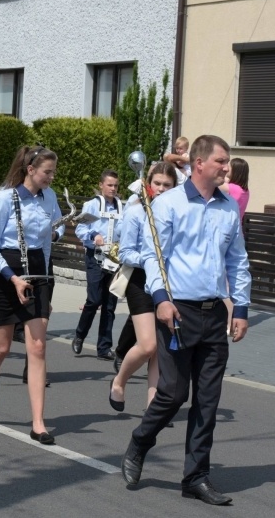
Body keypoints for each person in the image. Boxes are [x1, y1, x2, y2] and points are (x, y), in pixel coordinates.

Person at [121, 135, 251, 506]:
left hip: (214, 314)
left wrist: (240, 308)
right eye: (221, 161)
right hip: (177, 311)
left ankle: (196, 477)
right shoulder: (169, 204)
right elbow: (152, 255)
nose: (227, 167)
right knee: (174, 394)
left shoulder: (228, 207)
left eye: (227, 162)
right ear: (199, 163)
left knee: (207, 400)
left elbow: (237, 260)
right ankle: (140, 441)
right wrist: (161, 299)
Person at [0, 145, 61, 445]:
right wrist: (13, 279)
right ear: (30, 170)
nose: (51, 177)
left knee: (37, 347)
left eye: (53, 172)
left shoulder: (49, 197)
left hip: (37, 269)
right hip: (6, 271)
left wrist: (56, 233)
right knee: (1, 347)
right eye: (47, 172)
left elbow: (55, 227)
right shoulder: (3, 199)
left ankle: (38, 422)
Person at [110, 162, 177, 412]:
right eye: (157, 183)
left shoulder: (177, 212)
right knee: (147, 344)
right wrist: (152, 259)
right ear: (149, 184)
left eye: (167, 185)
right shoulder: (136, 211)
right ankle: (119, 381)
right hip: (140, 280)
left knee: (160, 350)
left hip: (169, 284)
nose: (161, 188)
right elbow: (125, 253)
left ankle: (153, 407)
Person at [72, 170, 123, 360]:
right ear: (101, 185)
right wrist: (94, 236)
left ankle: (104, 347)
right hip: (95, 257)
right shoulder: (92, 205)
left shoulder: (120, 206)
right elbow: (80, 227)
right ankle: (79, 335)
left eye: (116, 185)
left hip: (114, 259)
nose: (113, 189)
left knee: (110, 305)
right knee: (94, 300)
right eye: (109, 185)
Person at [220, 158, 251, 333]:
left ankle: (228, 320)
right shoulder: (245, 191)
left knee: (225, 284)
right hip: (238, 234)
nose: (225, 169)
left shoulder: (233, 188)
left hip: (228, 235)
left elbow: (214, 185)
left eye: (228, 168)